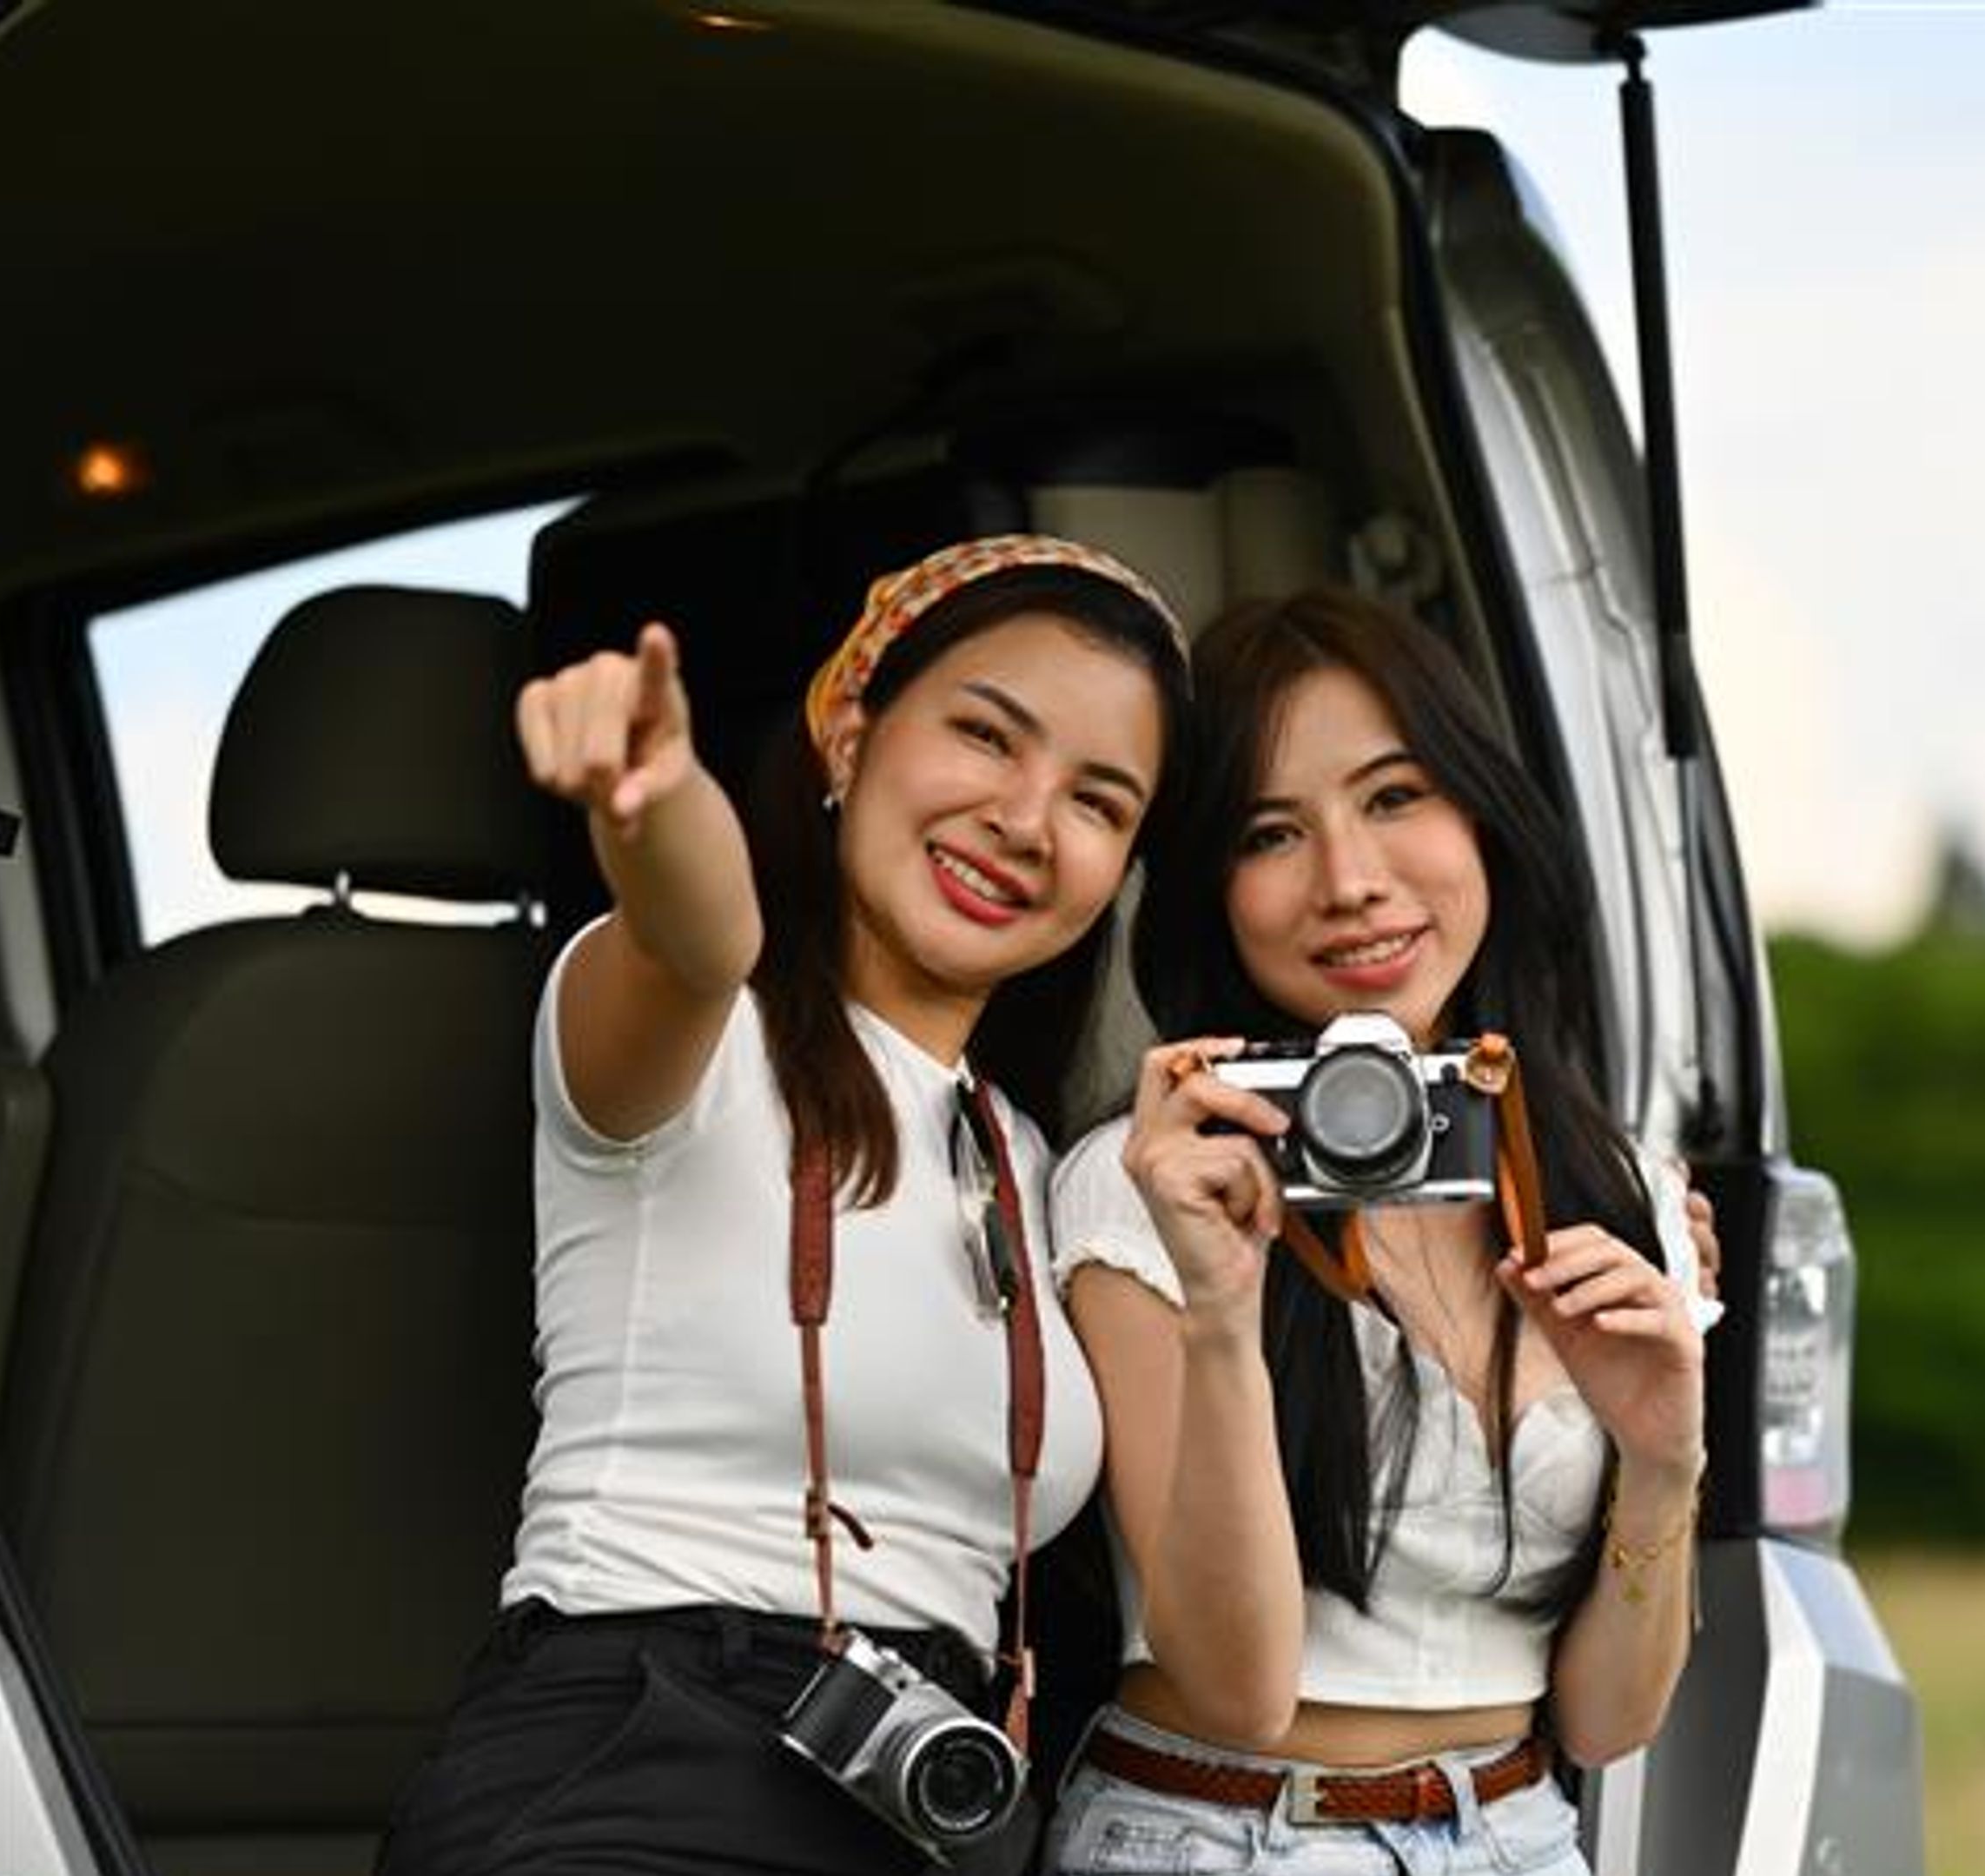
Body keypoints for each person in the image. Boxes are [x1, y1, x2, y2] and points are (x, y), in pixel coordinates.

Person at [376, 534, 1190, 1876]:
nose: (1028, 820)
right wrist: (656, 798)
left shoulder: (1034, 1159)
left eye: (1099, 803)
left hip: (931, 1789)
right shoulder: (689, 1035)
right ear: (848, 732)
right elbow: (699, 932)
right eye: (986, 736)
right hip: (642, 1756)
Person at [1042, 588, 1716, 1876]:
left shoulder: (1620, 1186)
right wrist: (1224, 1306)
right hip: (1220, 1834)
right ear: (1210, 894)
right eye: (1271, 832)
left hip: (1521, 1833)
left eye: (1396, 797)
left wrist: (1666, 1459)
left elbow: (1608, 1718)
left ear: (1484, 817)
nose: (1351, 883)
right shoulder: (1150, 1185)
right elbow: (1237, 1691)